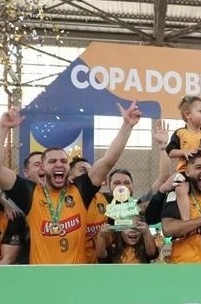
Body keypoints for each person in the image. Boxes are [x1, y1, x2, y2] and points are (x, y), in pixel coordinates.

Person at [0, 102, 142, 264]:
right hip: (42, 280)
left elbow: (108, 161)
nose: (59, 164)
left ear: (68, 167)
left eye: (63, 161)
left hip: (76, 279)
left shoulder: (80, 190)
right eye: (52, 161)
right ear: (43, 168)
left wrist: (127, 125)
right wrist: (3, 128)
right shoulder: (30, 193)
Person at [165, 95, 201, 234]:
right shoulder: (180, 133)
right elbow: (170, 151)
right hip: (184, 172)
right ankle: (186, 224)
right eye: (200, 111)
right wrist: (184, 152)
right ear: (188, 114)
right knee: (181, 189)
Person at [69, 156, 109, 263]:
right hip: (72, 264)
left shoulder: (102, 199)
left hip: (97, 264)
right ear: (69, 177)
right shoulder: (63, 201)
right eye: (83, 170)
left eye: (90, 170)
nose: (89, 174)